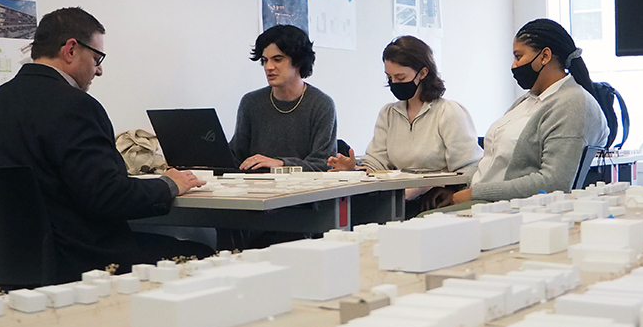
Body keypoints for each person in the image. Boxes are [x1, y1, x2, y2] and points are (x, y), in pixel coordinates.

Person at [0, 7, 211, 285]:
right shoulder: (76, 107)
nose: (99, 70)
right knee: (205, 255)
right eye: (97, 58)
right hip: (82, 264)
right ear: (71, 49)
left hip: (4, 269)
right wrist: (169, 184)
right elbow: (108, 197)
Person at [442, 18, 609, 207]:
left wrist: (474, 193)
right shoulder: (527, 101)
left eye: (518, 56)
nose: (514, 65)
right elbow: (493, 162)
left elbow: (554, 182)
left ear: (545, 56)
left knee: (417, 225)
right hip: (483, 200)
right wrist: (457, 189)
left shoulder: (572, 102)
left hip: (506, 208)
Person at [328, 35, 481, 175]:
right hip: (402, 197)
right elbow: (376, 163)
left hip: (434, 198)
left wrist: (447, 190)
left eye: (400, 77)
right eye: (390, 78)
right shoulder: (388, 114)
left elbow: (471, 167)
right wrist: (353, 169)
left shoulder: (448, 112)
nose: (394, 83)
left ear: (423, 73)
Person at [230, 24, 337, 172]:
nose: (269, 67)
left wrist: (281, 164)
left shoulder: (321, 104)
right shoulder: (251, 102)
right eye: (265, 60)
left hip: (305, 191)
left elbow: (323, 164)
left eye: (277, 59)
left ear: (298, 61)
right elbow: (236, 156)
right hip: (257, 187)